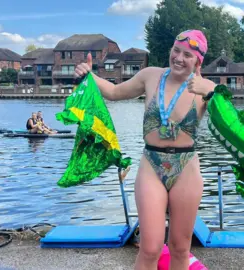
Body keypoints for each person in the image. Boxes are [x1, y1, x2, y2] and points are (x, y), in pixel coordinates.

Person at [74, 29, 216, 270]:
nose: (179, 58)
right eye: (176, 51)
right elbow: (115, 92)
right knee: (150, 248)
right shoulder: (151, 76)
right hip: (151, 164)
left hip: (187, 168)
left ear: (198, 61)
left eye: (188, 55)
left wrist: (210, 93)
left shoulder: (207, 88)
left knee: (180, 249)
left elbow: (229, 124)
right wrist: (89, 75)